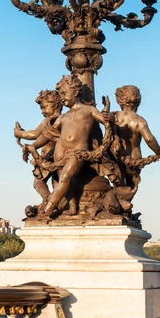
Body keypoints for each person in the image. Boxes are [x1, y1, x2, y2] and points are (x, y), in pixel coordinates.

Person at [27, 74, 111, 217]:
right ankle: (72, 207)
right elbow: (47, 135)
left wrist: (108, 113)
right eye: (61, 94)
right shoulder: (63, 117)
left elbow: (106, 121)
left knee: (65, 177)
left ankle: (48, 209)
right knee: (66, 182)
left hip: (77, 152)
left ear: (76, 92)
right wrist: (33, 146)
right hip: (60, 153)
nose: (62, 97)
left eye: (65, 93)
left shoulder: (88, 110)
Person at [14, 90, 62, 204]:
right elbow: (43, 138)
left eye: (44, 107)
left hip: (50, 157)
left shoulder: (51, 120)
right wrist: (31, 146)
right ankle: (55, 201)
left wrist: (19, 133)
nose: (42, 111)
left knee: (38, 182)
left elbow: (34, 134)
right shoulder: (63, 119)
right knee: (57, 182)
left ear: (55, 105)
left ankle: (48, 200)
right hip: (56, 156)